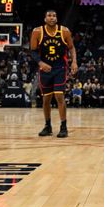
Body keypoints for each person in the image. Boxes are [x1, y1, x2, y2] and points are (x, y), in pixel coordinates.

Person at [30, 10, 78, 138]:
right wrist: (40, 63)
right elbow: (33, 51)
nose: (52, 18)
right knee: (46, 99)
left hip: (60, 68)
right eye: (49, 16)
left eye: (54, 15)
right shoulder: (37, 32)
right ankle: (48, 126)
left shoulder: (64, 31)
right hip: (45, 69)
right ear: (45, 18)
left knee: (59, 96)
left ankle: (63, 126)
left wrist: (74, 62)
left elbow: (72, 47)